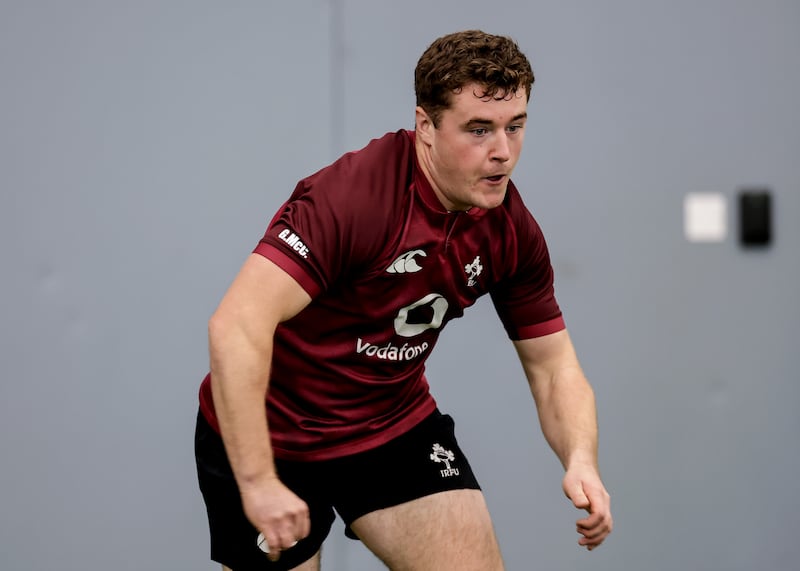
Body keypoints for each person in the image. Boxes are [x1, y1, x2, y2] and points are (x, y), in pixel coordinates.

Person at [195, 29, 612, 571]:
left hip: (388, 425)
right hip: (272, 437)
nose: (502, 152)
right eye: (478, 129)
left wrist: (580, 459)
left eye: (516, 126)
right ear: (426, 127)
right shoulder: (352, 200)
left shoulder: (510, 229)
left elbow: (554, 365)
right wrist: (256, 481)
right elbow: (235, 327)